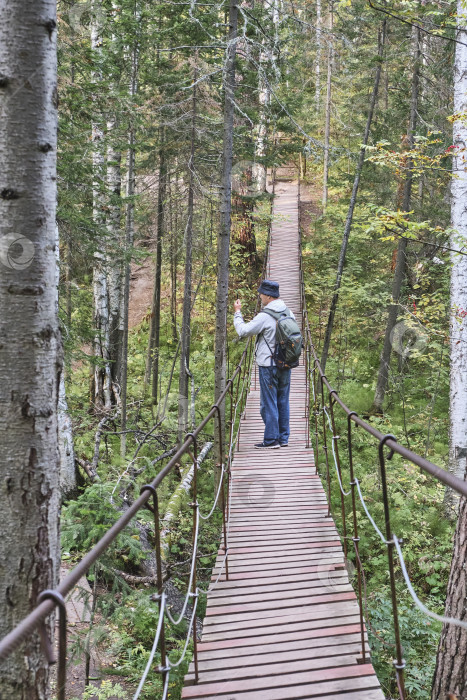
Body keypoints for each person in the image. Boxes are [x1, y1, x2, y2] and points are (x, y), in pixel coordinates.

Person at [233, 279, 295, 449]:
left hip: (268, 365)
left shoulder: (264, 316)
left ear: (268, 296)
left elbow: (243, 331)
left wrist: (237, 313)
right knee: (283, 400)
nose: (260, 296)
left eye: (261, 293)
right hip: (287, 363)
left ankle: (270, 440)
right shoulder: (289, 312)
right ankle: (283, 438)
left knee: (268, 403)